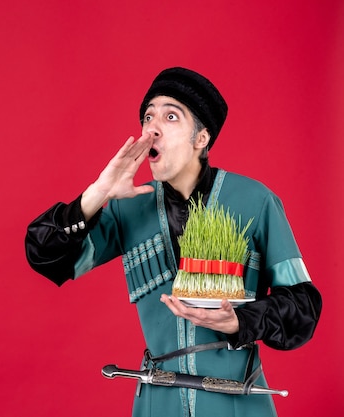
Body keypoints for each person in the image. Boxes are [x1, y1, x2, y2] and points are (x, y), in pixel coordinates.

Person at [24, 67, 322, 417]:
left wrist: (240, 322)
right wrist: (97, 193)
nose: (151, 128)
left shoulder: (256, 201)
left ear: (201, 139)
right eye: (148, 117)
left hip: (238, 400)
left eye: (170, 116)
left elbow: (304, 307)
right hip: (156, 402)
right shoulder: (129, 208)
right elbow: (46, 257)